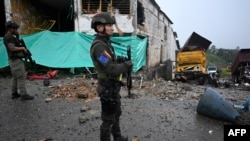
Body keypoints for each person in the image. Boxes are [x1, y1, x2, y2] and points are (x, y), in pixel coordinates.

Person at [90, 12, 133, 141]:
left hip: (113, 87)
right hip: (107, 87)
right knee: (108, 120)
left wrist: (120, 63)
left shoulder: (106, 43)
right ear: (99, 27)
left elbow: (111, 64)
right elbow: (110, 69)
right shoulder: (99, 47)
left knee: (116, 114)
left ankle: (117, 137)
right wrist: (126, 66)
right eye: (109, 25)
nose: (112, 28)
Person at [3, 21, 34, 100]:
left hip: (14, 60)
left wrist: (17, 35)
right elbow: (12, 48)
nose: (16, 29)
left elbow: (15, 43)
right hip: (15, 60)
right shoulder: (8, 37)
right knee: (21, 76)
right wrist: (22, 48)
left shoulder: (11, 36)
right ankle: (24, 94)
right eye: (15, 28)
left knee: (15, 77)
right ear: (10, 29)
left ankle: (14, 93)